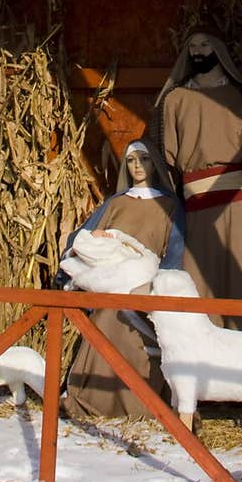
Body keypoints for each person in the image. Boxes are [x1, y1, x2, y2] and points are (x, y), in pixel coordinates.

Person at [147, 29, 242, 330]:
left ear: (219, 49)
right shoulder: (174, 100)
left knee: (240, 286)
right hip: (193, 213)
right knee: (195, 292)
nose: (198, 51)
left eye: (205, 44)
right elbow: (162, 161)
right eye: (192, 45)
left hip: (239, 208)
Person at [59, 139, 185, 422]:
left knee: (129, 321)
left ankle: (140, 404)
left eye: (144, 159)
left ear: (154, 163)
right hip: (109, 280)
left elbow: (175, 249)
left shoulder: (170, 205)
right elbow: (82, 237)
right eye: (131, 160)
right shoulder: (114, 204)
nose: (137, 165)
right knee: (107, 316)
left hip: (144, 280)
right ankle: (90, 399)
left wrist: (161, 282)